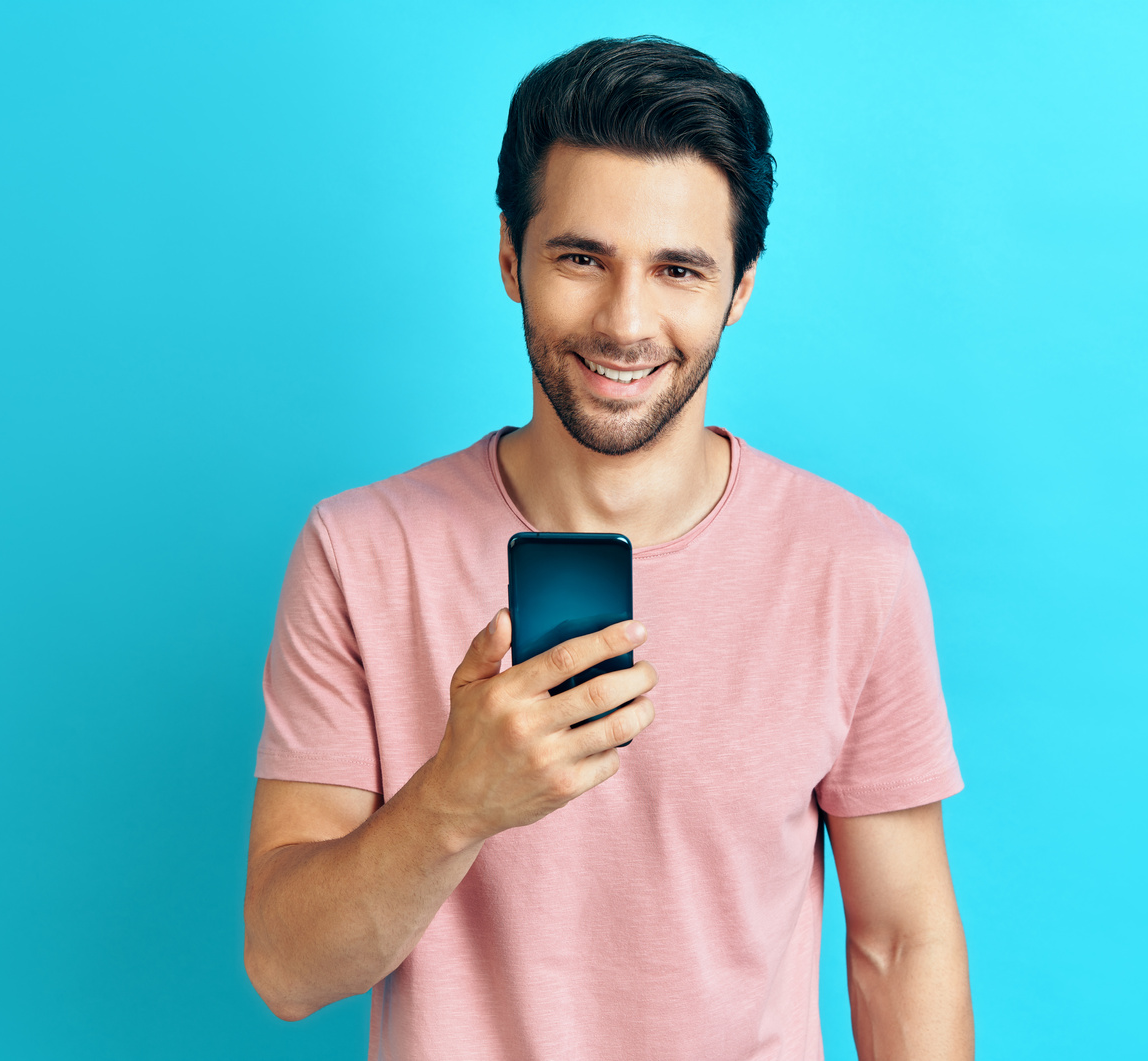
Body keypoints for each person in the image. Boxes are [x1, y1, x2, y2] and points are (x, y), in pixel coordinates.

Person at [243, 36, 973, 1061]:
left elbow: (899, 941)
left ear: (741, 287)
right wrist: (454, 801)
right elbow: (284, 967)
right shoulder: (361, 550)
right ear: (509, 256)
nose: (626, 322)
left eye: (678, 269)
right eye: (580, 257)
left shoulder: (851, 564)